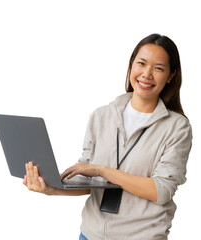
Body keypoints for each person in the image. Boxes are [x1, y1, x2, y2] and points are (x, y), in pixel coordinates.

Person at [23, 33, 192, 240]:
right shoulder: (101, 116)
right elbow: (88, 182)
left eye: (158, 68)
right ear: (131, 65)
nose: (147, 73)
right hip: (89, 235)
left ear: (171, 76)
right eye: (141, 63)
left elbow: (161, 190)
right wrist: (50, 188)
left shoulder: (177, 127)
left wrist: (102, 170)